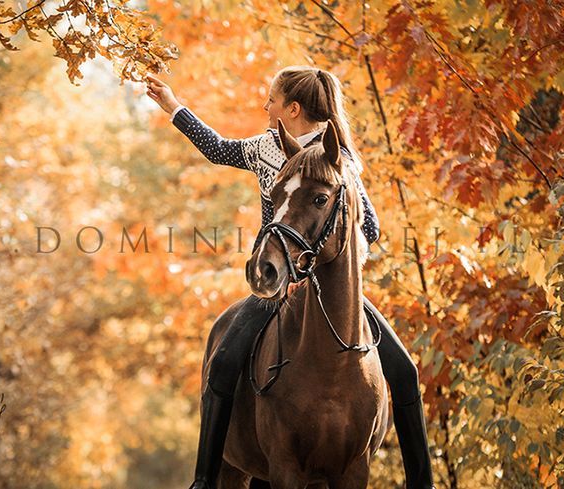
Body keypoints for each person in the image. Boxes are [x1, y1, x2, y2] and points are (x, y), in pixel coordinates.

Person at [146, 66, 435, 489]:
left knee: (405, 371)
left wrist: (329, 264)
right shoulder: (268, 147)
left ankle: (422, 483)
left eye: (272, 101)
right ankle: (205, 480)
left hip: (332, 289)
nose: (266, 107)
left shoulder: (342, 161)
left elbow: (368, 228)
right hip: (275, 286)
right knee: (223, 360)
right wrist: (174, 106)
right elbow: (217, 148)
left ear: (292, 109)